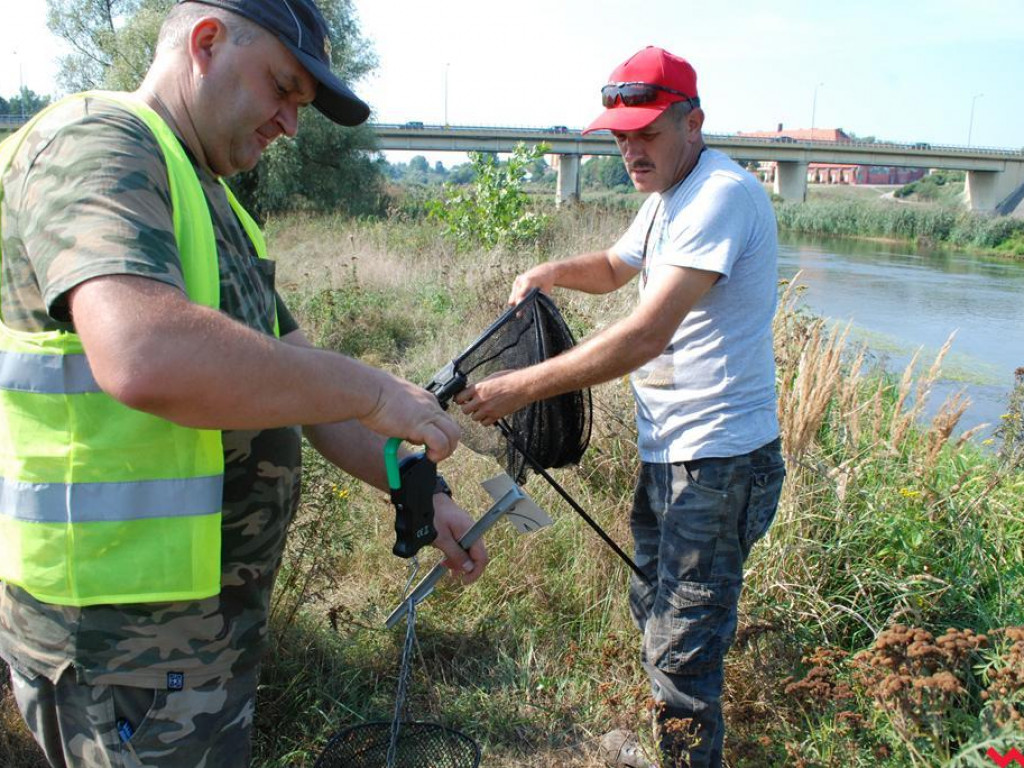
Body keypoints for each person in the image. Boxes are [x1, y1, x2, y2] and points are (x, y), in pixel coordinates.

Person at [0, 1, 488, 766]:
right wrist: (372, 388)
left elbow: (302, 393)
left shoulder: (213, 198)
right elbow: (144, 350)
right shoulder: (97, 143)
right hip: (117, 640)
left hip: (197, 633)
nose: (290, 124)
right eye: (282, 89)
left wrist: (414, 483)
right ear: (205, 42)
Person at [456, 46, 785, 768]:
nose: (630, 149)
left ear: (692, 123)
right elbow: (612, 269)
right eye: (620, 135)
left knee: (686, 640)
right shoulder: (669, 194)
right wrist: (549, 272)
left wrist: (521, 386)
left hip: (720, 460)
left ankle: (687, 755)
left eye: (646, 133)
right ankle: (668, 745)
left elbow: (644, 334)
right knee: (654, 602)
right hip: (671, 453)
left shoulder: (721, 195)